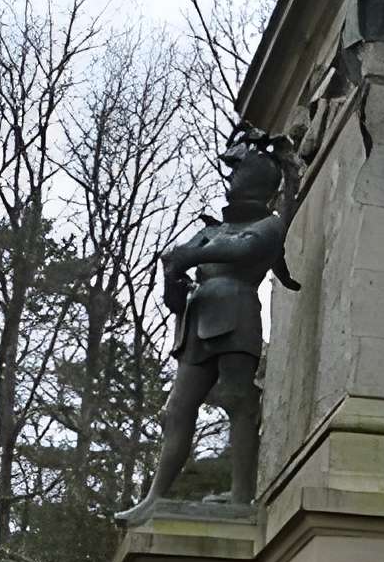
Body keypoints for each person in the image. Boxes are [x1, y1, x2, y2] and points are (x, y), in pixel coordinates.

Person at [117, 131, 298, 523]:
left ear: (252, 179)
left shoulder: (269, 224)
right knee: (178, 409)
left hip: (236, 315)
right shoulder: (211, 230)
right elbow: (176, 285)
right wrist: (173, 282)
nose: (230, 181)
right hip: (196, 322)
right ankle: (154, 497)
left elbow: (246, 249)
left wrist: (187, 256)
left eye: (236, 175)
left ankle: (240, 496)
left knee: (238, 401)